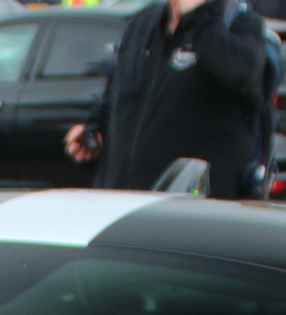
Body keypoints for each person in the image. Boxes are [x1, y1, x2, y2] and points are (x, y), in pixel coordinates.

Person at [65, 0, 273, 200]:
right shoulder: (144, 23)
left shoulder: (238, 24)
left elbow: (244, 73)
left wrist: (196, 18)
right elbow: (119, 89)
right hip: (125, 199)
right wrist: (97, 127)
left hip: (193, 208)